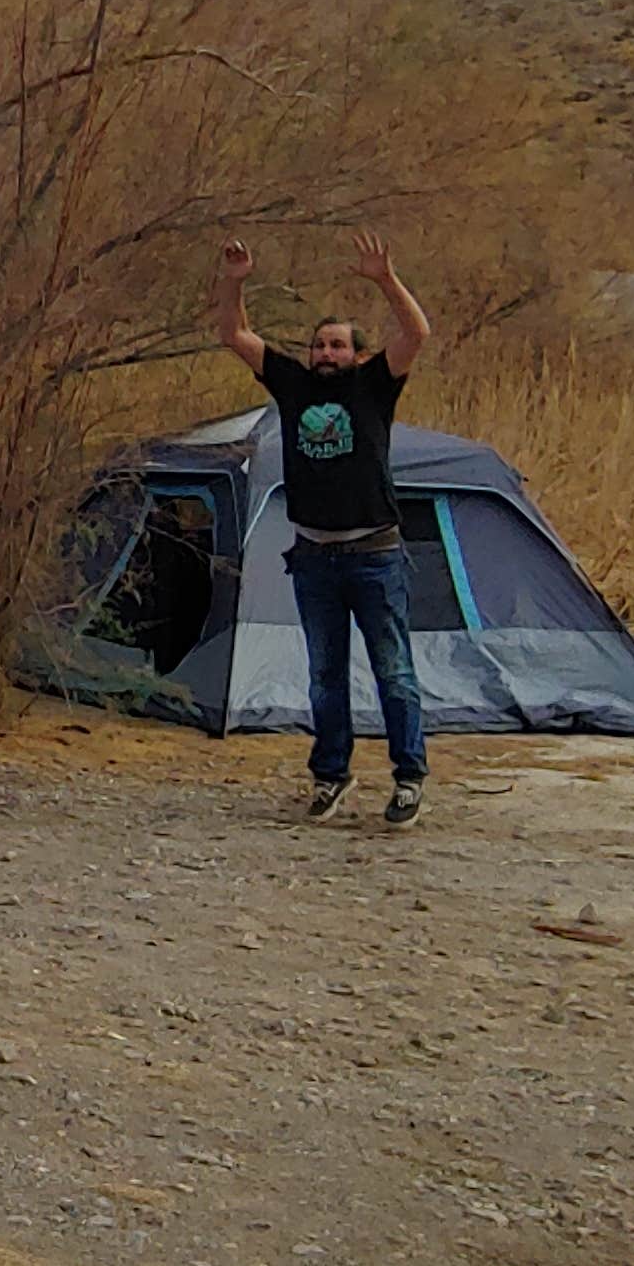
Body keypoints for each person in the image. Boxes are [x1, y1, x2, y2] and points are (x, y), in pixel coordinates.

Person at [212, 232, 436, 824]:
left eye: (337, 344)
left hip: (375, 554)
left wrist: (385, 280)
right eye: (319, 344)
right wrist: (235, 281)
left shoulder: (374, 385)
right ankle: (330, 776)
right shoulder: (293, 384)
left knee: (393, 671)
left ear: (357, 355)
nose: (326, 352)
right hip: (314, 556)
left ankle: (409, 776)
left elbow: (418, 336)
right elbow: (234, 335)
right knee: (324, 676)